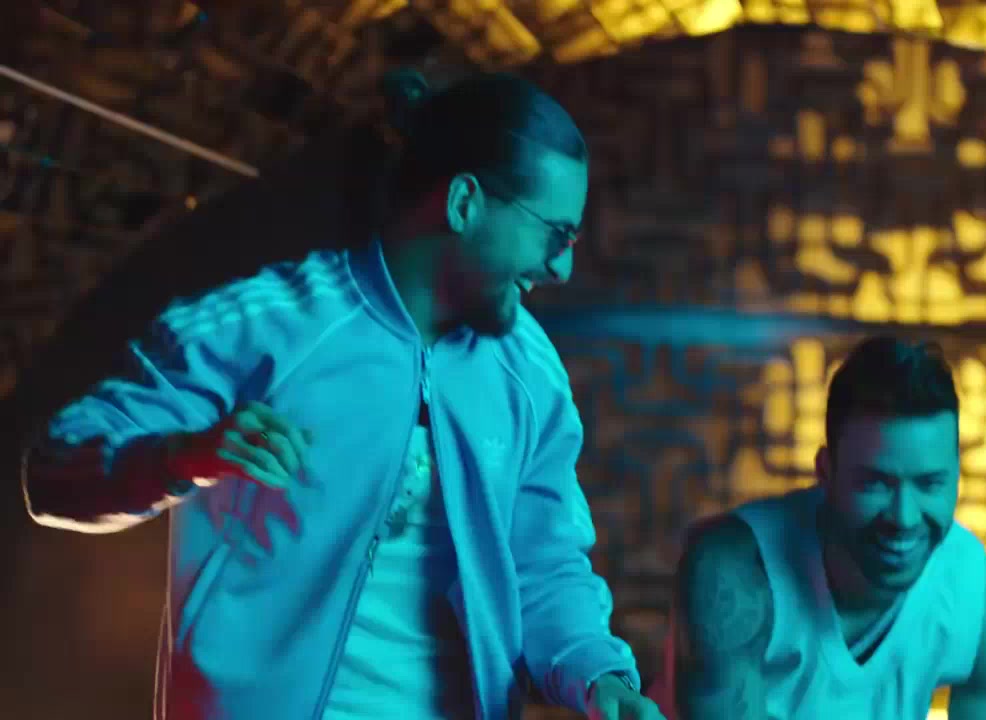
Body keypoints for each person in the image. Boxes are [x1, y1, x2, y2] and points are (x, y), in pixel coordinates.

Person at [21, 72, 664, 720]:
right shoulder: (261, 324)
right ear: (464, 202)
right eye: (555, 234)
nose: (562, 267)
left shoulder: (530, 375)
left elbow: (546, 563)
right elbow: (53, 472)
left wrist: (600, 675)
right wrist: (184, 455)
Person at [649, 336, 986, 719]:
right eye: (875, 483)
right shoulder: (734, 579)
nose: (904, 518)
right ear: (825, 472)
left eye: (929, 484)